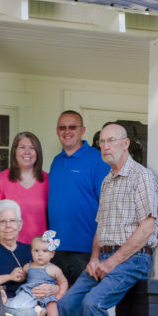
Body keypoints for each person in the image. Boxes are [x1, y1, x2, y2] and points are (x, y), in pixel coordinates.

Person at [56, 123, 158, 316]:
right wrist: (93, 259)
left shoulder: (141, 177)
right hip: (102, 258)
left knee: (94, 303)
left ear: (126, 144)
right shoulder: (107, 180)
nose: (105, 146)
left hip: (133, 259)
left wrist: (111, 262)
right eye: (101, 141)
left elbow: (147, 228)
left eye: (111, 141)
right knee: (67, 304)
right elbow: (100, 227)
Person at [47, 110, 111, 287]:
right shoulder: (56, 161)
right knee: (59, 305)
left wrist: (96, 255)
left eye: (72, 127)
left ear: (82, 130)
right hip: (55, 250)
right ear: (57, 130)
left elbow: (106, 208)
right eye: (62, 127)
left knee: (82, 307)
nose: (66, 131)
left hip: (85, 251)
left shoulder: (98, 160)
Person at [0, 131, 49, 244]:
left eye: (32, 148)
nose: (27, 152)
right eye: (22, 147)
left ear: (38, 152)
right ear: (14, 151)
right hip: (8, 249)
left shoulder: (48, 181)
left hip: (40, 252)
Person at [6, 231, 69, 316]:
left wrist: (59, 295)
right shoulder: (28, 266)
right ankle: (37, 310)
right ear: (31, 252)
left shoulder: (54, 269)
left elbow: (63, 282)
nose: (40, 254)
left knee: (52, 306)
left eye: (45, 251)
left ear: (52, 254)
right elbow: (23, 278)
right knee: (20, 302)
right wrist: (19, 276)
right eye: (36, 251)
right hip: (30, 293)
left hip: (46, 295)